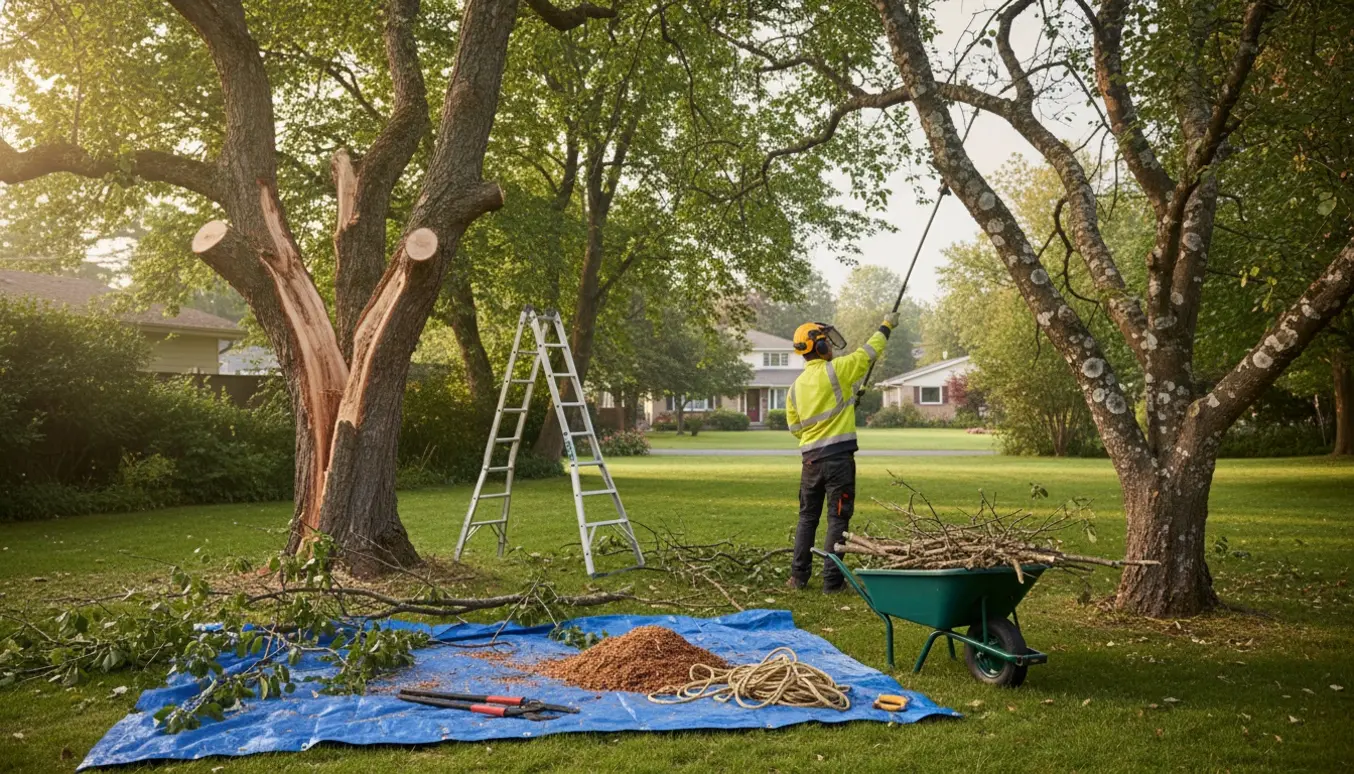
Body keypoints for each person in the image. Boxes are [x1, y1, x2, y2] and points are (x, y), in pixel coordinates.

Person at [784, 313, 897, 592]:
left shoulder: (794, 389)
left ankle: (798, 578)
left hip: (810, 462)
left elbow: (795, 428)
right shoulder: (839, 370)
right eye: (827, 343)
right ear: (820, 348)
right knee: (837, 518)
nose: (831, 348)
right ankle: (832, 582)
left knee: (807, 517)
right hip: (838, 462)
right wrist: (886, 325)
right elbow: (869, 352)